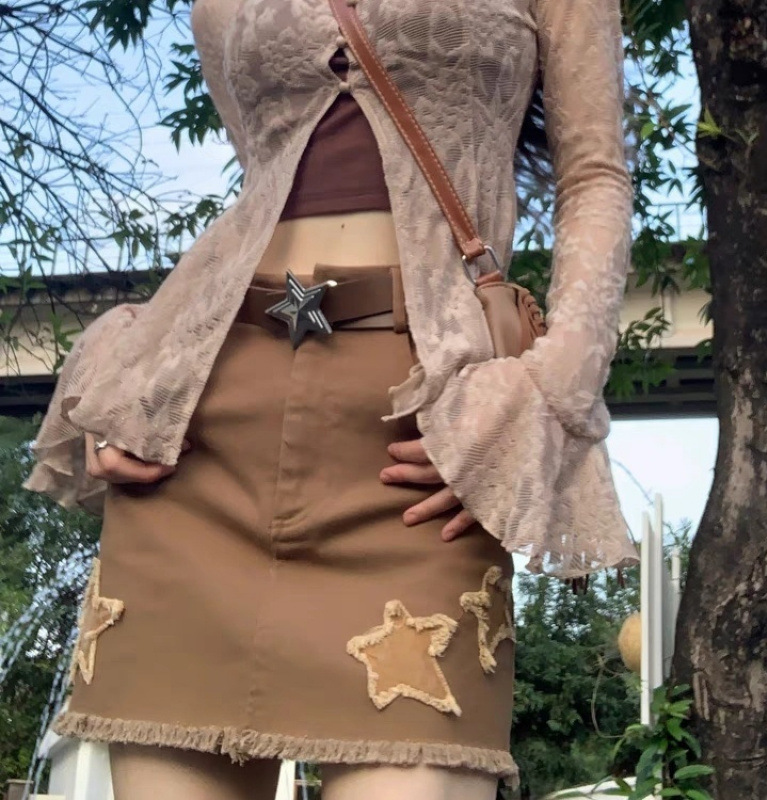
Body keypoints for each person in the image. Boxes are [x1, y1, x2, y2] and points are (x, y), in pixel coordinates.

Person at [23, 0, 639, 797]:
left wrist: (547, 389)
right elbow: (265, 177)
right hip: (206, 436)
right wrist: (134, 379)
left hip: (416, 430)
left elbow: (594, 178)